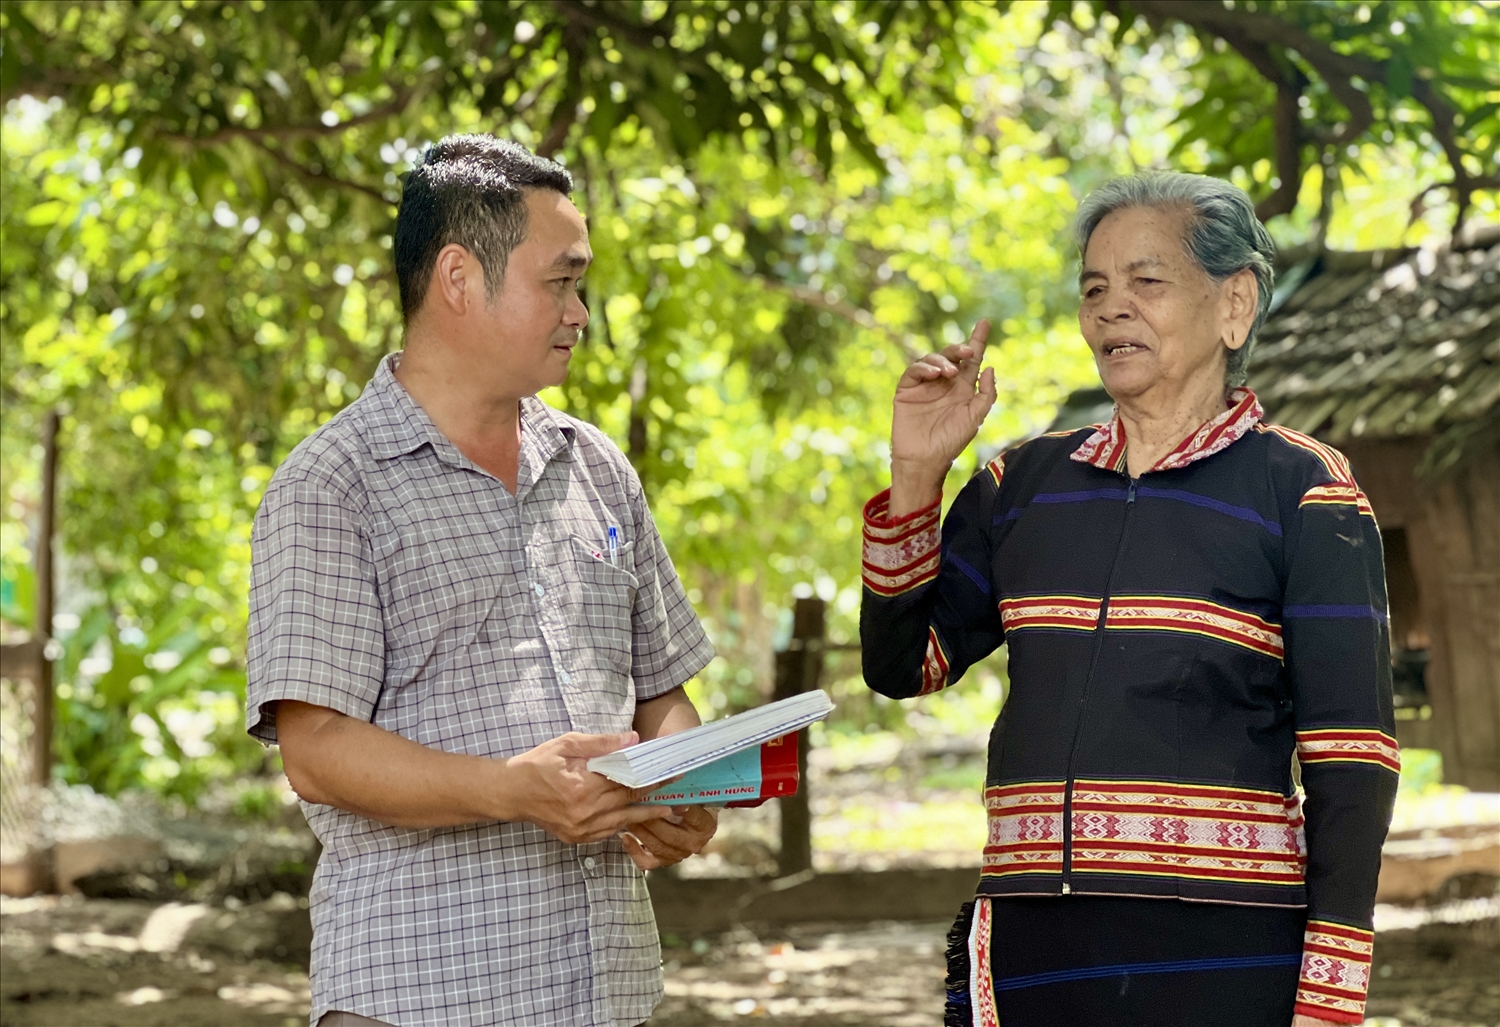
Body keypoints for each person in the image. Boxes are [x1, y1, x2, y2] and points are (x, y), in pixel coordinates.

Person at [861, 172, 1397, 1027]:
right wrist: (917, 476)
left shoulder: (1304, 491)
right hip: (1036, 952)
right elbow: (903, 666)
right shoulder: (1024, 483)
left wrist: (1330, 992)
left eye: (1146, 282)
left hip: (1224, 957)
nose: (1113, 309)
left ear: (1235, 305)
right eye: (1094, 288)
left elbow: (1352, 759)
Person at [245, 135, 718, 1027]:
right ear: (459, 277)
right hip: (417, 993)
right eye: (561, 281)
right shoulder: (334, 483)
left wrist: (680, 786)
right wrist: (515, 788)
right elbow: (314, 752)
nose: (581, 312)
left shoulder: (597, 467)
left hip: (604, 992)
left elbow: (662, 691)